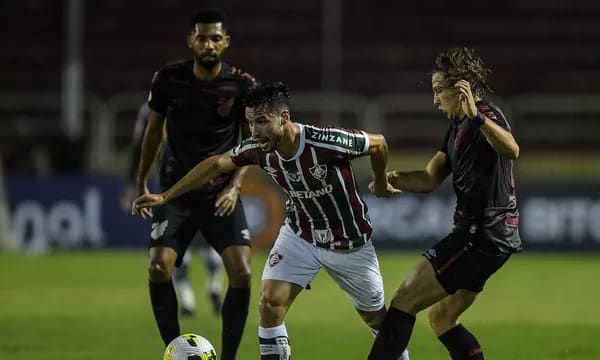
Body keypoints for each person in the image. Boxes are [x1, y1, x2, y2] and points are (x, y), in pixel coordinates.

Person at [134, 81, 409, 360]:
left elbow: (379, 143)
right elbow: (217, 164)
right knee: (269, 303)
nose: (255, 131)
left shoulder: (324, 141)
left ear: (284, 118)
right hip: (300, 234)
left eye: (262, 122)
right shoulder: (256, 148)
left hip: (349, 243)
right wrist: (165, 196)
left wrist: (381, 183)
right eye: (251, 123)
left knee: (376, 320)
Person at [367, 47, 521, 360]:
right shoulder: (456, 128)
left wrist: (477, 117)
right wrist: (392, 178)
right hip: (493, 237)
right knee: (442, 318)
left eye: (439, 91)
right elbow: (428, 178)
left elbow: (511, 149)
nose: (435, 100)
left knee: (404, 299)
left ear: (461, 89)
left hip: (480, 234)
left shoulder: (485, 116)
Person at [132, 8, 257, 360]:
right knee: (158, 267)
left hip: (221, 195)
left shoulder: (242, 85)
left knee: (243, 273)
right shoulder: (168, 80)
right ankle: (175, 351)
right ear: (191, 40)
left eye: (216, 38)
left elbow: (251, 146)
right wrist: (142, 181)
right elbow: (153, 133)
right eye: (202, 37)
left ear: (226, 41)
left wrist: (234, 187)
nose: (209, 44)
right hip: (176, 192)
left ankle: (229, 357)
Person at [120, 102, 224, 316]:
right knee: (210, 239)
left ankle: (187, 300)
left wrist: (133, 183)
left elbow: (138, 145)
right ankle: (213, 285)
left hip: (172, 184)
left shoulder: (150, 109)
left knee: (175, 242)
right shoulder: (204, 102)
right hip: (206, 181)